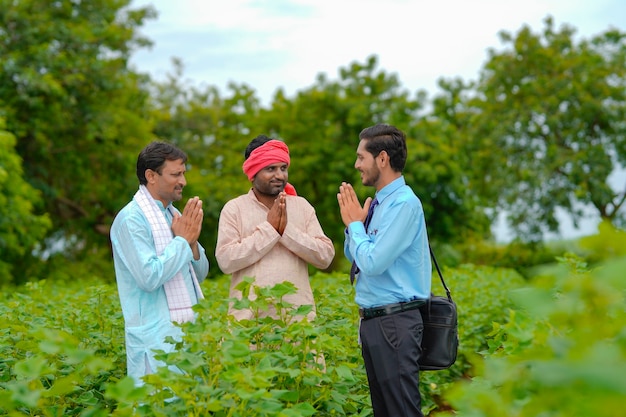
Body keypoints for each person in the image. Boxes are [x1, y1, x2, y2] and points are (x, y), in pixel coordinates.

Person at [337, 124, 432, 417]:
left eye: (360, 157)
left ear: (381, 159)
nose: (356, 165)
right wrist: (356, 225)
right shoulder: (380, 204)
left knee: (401, 410)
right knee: (385, 411)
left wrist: (355, 225)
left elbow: (373, 262)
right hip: (376, 322)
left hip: (395, 321)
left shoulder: (403, 204)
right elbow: (354, 255)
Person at [110, 141, 210, 385]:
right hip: (154, 342)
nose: (183, 181)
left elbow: (201, 273)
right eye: (176, 174)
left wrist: (192, 243)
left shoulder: (174, 216)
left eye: (183, 173)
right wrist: (182, 242)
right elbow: (149, 277)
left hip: (188, 336)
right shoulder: (131, 219)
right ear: (151, 176)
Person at [215, 135, 335, 321]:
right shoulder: (235, 209)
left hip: (297, 322)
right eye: (271, 169)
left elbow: (325, 256)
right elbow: (226, 260)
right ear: (253, 173)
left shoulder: (301, 206)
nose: (279, 175)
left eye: (283, 168)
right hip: (248, 324)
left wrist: (287, 231)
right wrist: (269, 230)